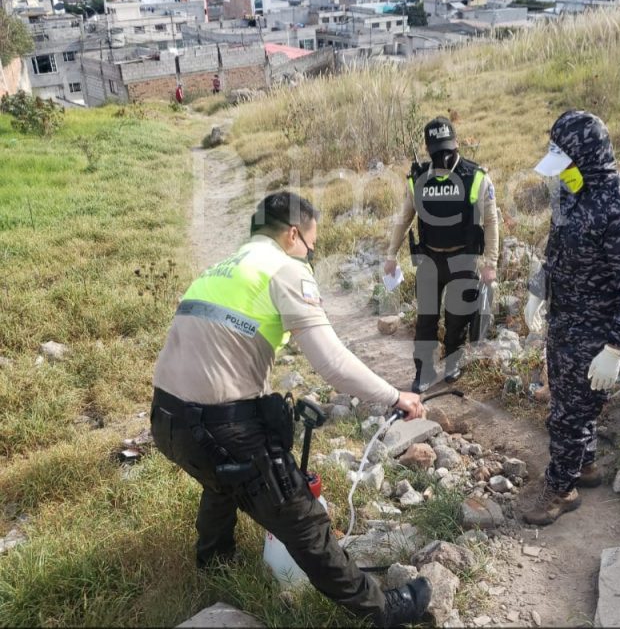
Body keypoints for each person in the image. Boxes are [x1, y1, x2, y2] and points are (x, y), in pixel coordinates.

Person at [150, 191, 432, 627]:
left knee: (221, 475)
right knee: (301, 517)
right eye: (311, 244)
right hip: (217, 427)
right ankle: (382, 609)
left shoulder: (217, 270)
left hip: (167, 423)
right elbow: (333, 364)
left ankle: (215, 560)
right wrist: (397, 397)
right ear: (294, 235)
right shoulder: (285, 269)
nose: (311, 254)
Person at [521, 110, 620, 525]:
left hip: (597, 333)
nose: (560, 175)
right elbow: (557, 251)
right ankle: (585, 464)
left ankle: (560, 489)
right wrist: (537, 290)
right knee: (570, 401)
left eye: (566, 166)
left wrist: (616, 347)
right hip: (565, 322)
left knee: (567, 415)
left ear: (587, 158)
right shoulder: (569, 193)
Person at [384, 116, 499, 393]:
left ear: (457, 144)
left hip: (464, 258)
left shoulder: (476, 177)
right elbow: (404, 219)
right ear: (428, 149)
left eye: (447, 149)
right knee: (426, 318)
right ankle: (424, 371)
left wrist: (490, 263)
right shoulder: (418, 179)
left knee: (458, 316)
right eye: (437, 151)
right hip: (429, 259)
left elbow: (492, 221)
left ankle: (452, 363)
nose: (443, 156)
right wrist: (390, 255)